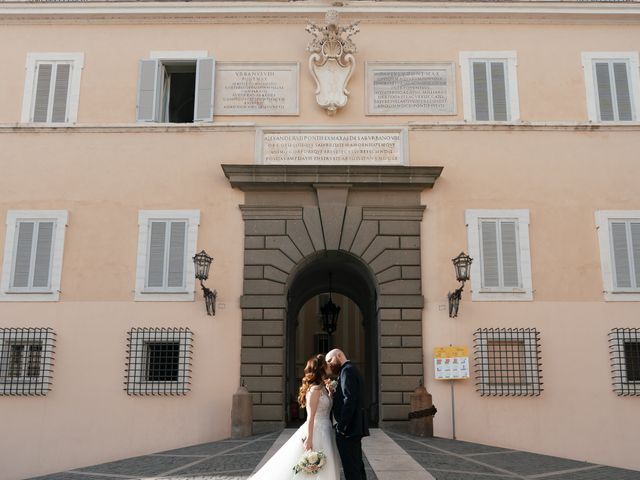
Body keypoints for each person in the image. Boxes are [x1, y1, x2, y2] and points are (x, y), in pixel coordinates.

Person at [250, 354, 341, 480]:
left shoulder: (323, 388)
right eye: (326, 365)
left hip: (326, 429)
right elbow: (310, 417)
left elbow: (327, 407)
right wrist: (309, 439)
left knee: (326, 464)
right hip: (317, 430)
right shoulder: (314, 390)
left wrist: (330, 394)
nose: (328, 366)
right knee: (313, 467)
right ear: (320, 369)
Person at [326, 348, 369, 480]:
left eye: (330, 360)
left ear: (339, 355)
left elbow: (349, 400)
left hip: (348, 430)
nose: (329, 364)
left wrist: (341, 427)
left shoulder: (347, 371)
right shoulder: (349, 370)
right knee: (357, 466)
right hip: (353, 428)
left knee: (351, 469)